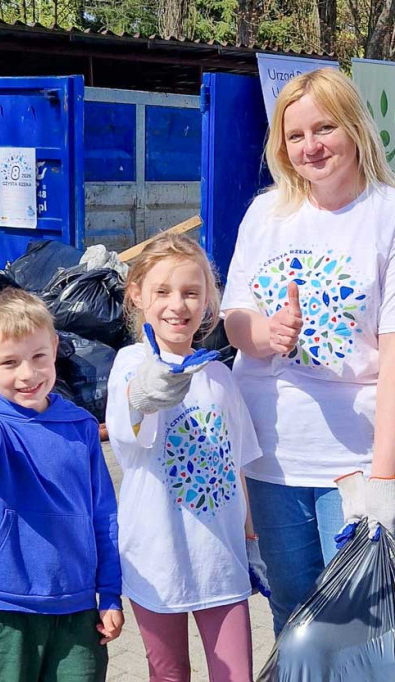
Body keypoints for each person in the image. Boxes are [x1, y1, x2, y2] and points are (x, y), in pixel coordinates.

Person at [221, 67, 395, 634]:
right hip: (272, 453)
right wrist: (265, 334)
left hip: (356, 460)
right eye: (294, 136)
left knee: (361, 621)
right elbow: (234, 322)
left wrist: (383, 477)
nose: (310, 147)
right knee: (293, 616)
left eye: (324, 128)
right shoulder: (264, 214)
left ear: (354, 129)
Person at [106, 233, 269, 682]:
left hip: (222, 562)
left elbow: (239, 466)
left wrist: (253, 544)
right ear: (137, 295)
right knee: (169, 674)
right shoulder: (128, 363)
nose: (177, 304)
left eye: (191, 293)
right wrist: (146, 390)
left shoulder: (219, 374)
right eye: (162, 291)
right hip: (155, 561)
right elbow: (128, 426)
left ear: (207, 303)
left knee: (235, 675)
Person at [0, 288, 123, 682]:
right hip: (4, 609)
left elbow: (104, 516)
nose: (27, 374)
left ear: (55, 348)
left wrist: (111, 593)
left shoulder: (80, 426)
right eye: (9, 362)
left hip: (77, 608)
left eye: (38, 357)